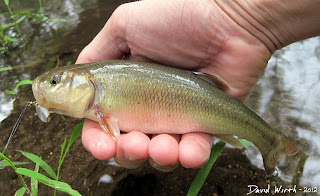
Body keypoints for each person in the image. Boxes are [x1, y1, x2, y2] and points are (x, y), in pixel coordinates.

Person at [76, 0, 320, 171]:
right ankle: (270, 140)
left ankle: (270, 140)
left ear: (88, 84)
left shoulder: (100, 87)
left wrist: (242, 17)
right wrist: (244, 19)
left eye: (55, 82)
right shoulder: (100, 83)